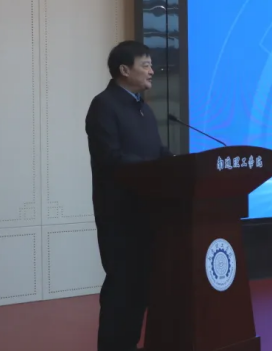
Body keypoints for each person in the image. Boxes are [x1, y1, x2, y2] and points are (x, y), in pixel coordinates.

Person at [85, 40, 173, 351]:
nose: (152, 71)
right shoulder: (104, 105)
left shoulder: (144, 109)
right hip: (119, 215)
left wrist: (180, 163)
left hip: (149, 213)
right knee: (122, 289)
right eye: (145, 64)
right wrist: (152, 167)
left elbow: (157, 152)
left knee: (141, 289)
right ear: (124, 69)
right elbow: (110, 158)